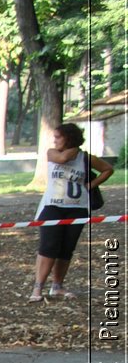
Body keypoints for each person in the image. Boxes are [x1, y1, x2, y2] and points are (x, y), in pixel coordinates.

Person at [30, 122, 114, 301]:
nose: (54, 140)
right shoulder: (52, 153)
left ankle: (57, 286)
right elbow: (63, 159)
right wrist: (75, 148)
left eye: (58, 137)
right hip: (52, 207)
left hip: (77, 208)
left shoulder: (86, 158)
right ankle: (38, 287)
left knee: (66, 249)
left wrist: (91, 185)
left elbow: (108, 169)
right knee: (48, 247)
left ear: (68, 138)